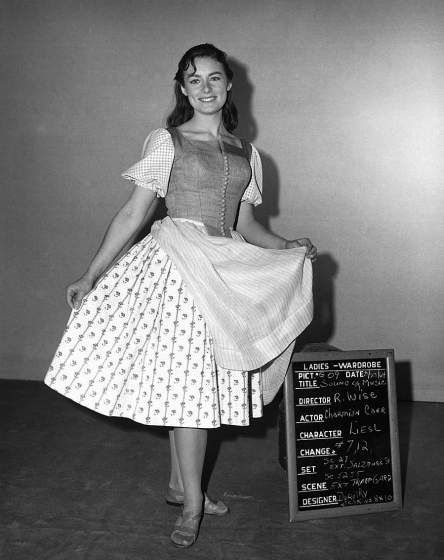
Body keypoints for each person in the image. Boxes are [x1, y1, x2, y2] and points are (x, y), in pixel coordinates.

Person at [44, 43, 316, 548]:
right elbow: (133, 213)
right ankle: (192, 506)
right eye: (194, 80)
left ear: (229, 84)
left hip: (223, 270)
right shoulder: (166, 142)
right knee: (189, 391)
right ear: (183, 87)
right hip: (175, 270)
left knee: (193, 387)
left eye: (214, 78)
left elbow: (249, 224)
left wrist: (288, 246)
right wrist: (91, 274)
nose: (205, 88)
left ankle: (178, 487)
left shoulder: (247, 153)